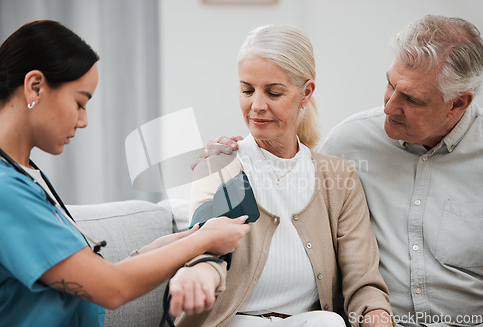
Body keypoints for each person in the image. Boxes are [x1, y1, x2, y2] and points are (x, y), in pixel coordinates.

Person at [207, 15, 483, 327]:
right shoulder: (352, 142)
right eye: (390, 84)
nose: (390, 107)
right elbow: (287, 169)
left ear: (458, 103)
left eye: (411, 99)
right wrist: (228, 160)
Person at [0, 20, 250, 327]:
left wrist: (168, 245)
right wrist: (203, 239)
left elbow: (81, 279)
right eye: (79, 103)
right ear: (35, 86)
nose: (83, 121)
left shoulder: (18, 171)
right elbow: (111, 289)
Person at [168, 24, 393, 327]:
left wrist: (376, 316)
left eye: (274, 92)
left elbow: (363, 281)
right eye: (247, 90)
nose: (257, 106)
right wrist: (199, 274)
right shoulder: (219, 163)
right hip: (234, 322)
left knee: (329, 323)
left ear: (306, 93)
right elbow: (206, 252)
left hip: (308, 323)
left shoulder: (339, 178)